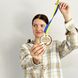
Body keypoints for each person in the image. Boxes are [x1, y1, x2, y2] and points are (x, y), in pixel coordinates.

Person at [20, 2, 78, 78]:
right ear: (32, 27)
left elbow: (74, 44)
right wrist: (35, 61)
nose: (38, 29)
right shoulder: (25, 47)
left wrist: (67, 17)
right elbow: (25, 65)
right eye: (35, 25)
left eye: (42, 25)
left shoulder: (56, 45)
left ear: (47, 27)